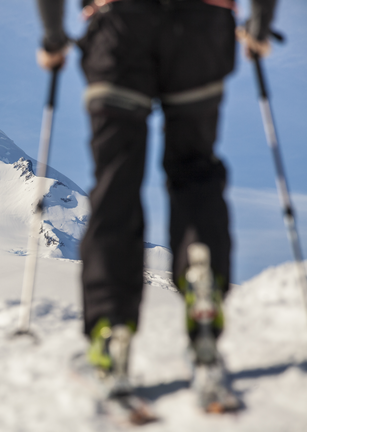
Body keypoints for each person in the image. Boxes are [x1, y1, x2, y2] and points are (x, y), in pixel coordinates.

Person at [35, 0, 278, 412]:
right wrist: (259, 27)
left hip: (119, 29)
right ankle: (202, 285)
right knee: (195, 169)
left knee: (117, 181)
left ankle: (111, 334)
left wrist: (54, 38)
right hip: (201, 30)